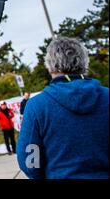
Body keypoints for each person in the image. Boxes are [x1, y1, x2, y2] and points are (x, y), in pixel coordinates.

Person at [17, 37, 109, 179]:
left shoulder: (37, 105)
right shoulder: (106, 96)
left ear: (50, 66)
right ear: (85, 62)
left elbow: (29, 161)